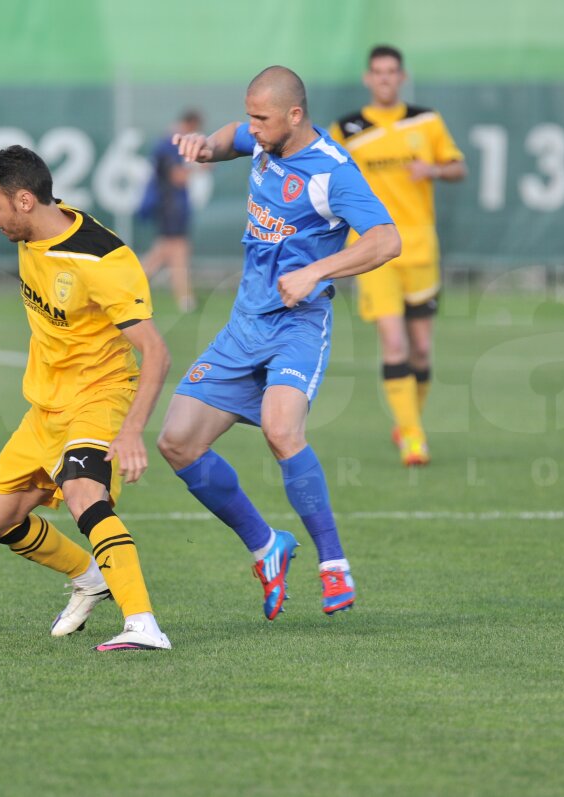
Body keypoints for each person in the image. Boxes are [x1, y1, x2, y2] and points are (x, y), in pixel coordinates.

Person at [156, 66, 400, 620]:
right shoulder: (263, 138)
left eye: (261, 118)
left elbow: (387, 241)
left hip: (298, 326)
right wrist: (205, 146)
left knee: (281, 429)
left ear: (295, 115)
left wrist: (316, 272)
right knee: (177, 442)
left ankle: (333, 563)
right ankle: (267, 546)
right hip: (245, 325)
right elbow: (229, 138)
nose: (252, 128)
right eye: (250, 116)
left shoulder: (332, 172)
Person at [0, 145, 172, 651]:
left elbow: (157, 352)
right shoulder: (32, 223)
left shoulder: (101, 260)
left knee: (84, 495)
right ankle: (90, 577)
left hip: (100, 395)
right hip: (46, 405)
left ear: (24, 201)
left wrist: (131, 432)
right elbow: (0, 207)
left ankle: (143, 624)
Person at [328, 45, 466, 467]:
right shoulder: (346, 130)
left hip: (420, 249)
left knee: (421, 349)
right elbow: (324, 180)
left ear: (402, 77)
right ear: (368, 78)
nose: (385, 78)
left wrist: (434, 170)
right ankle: (413, 437)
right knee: (394, 342)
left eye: (392, 71)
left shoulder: (426, 121)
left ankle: (408, 422)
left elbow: (457, 167)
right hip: (371, 251)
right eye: (378, 72)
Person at [140, 109, 204, 312]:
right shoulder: (169, 144)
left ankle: (183, 296)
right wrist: (197, 167)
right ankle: (183, 297)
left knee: (168, 251)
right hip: (169, 205)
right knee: (174, 250)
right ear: (191, 125)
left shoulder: (169, 143)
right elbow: (177, 177)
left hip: (173, 205)